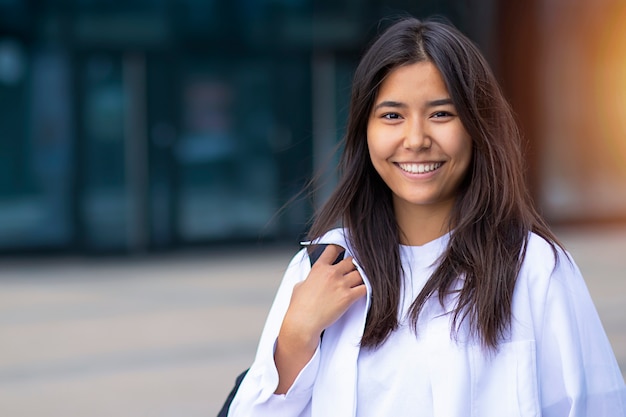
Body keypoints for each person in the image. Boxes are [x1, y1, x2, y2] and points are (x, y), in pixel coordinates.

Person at [227, 16, 626, 416]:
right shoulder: (321, 269)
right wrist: (295, 339)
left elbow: (597, 406)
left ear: (476, 126)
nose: (416, 140)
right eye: (392, 116)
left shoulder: (534, 269)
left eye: (440, 114)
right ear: (364, 131)